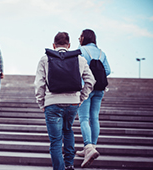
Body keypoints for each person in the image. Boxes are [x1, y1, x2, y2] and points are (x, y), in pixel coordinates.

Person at [34, 32, 95, 170]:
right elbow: (91, 80)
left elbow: (39, 84)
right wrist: (81, 98)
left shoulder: (45, 59)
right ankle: (69, 164)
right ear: (69, 45)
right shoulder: (80, 60)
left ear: (53, 45)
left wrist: (41, 102)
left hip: (52, 104)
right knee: (68, 130)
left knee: (55, 141)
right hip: (72, 103)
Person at [76, 29, 111, 168]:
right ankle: (91, 148)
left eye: (80, 36)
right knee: (94, 117)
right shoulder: (102, 53)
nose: (79, 38)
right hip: (100, 89)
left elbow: (77, 68)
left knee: (84, 118)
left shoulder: (81, 50)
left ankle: (88, 147)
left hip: (86, 87)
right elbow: (107, 70)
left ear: (84, 37)